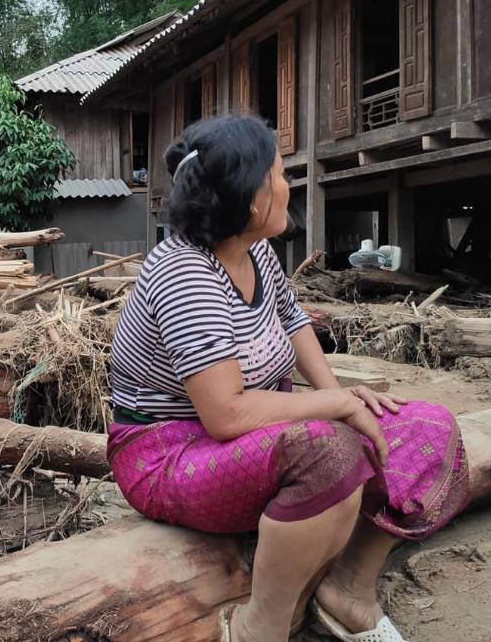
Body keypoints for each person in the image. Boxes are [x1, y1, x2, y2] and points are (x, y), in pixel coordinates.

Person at [106, 116, 469, 642]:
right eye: (277, 174)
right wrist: (337, 408)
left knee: (430, 427)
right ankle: (262, 626)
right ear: (248, 196)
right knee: (332, 450)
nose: (287, 185)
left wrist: (336, 394)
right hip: (169, 454)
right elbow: (226, 413)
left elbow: (294, 323)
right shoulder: (185, 274)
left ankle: (348, 588)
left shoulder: (254, 253)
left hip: (255, 433)